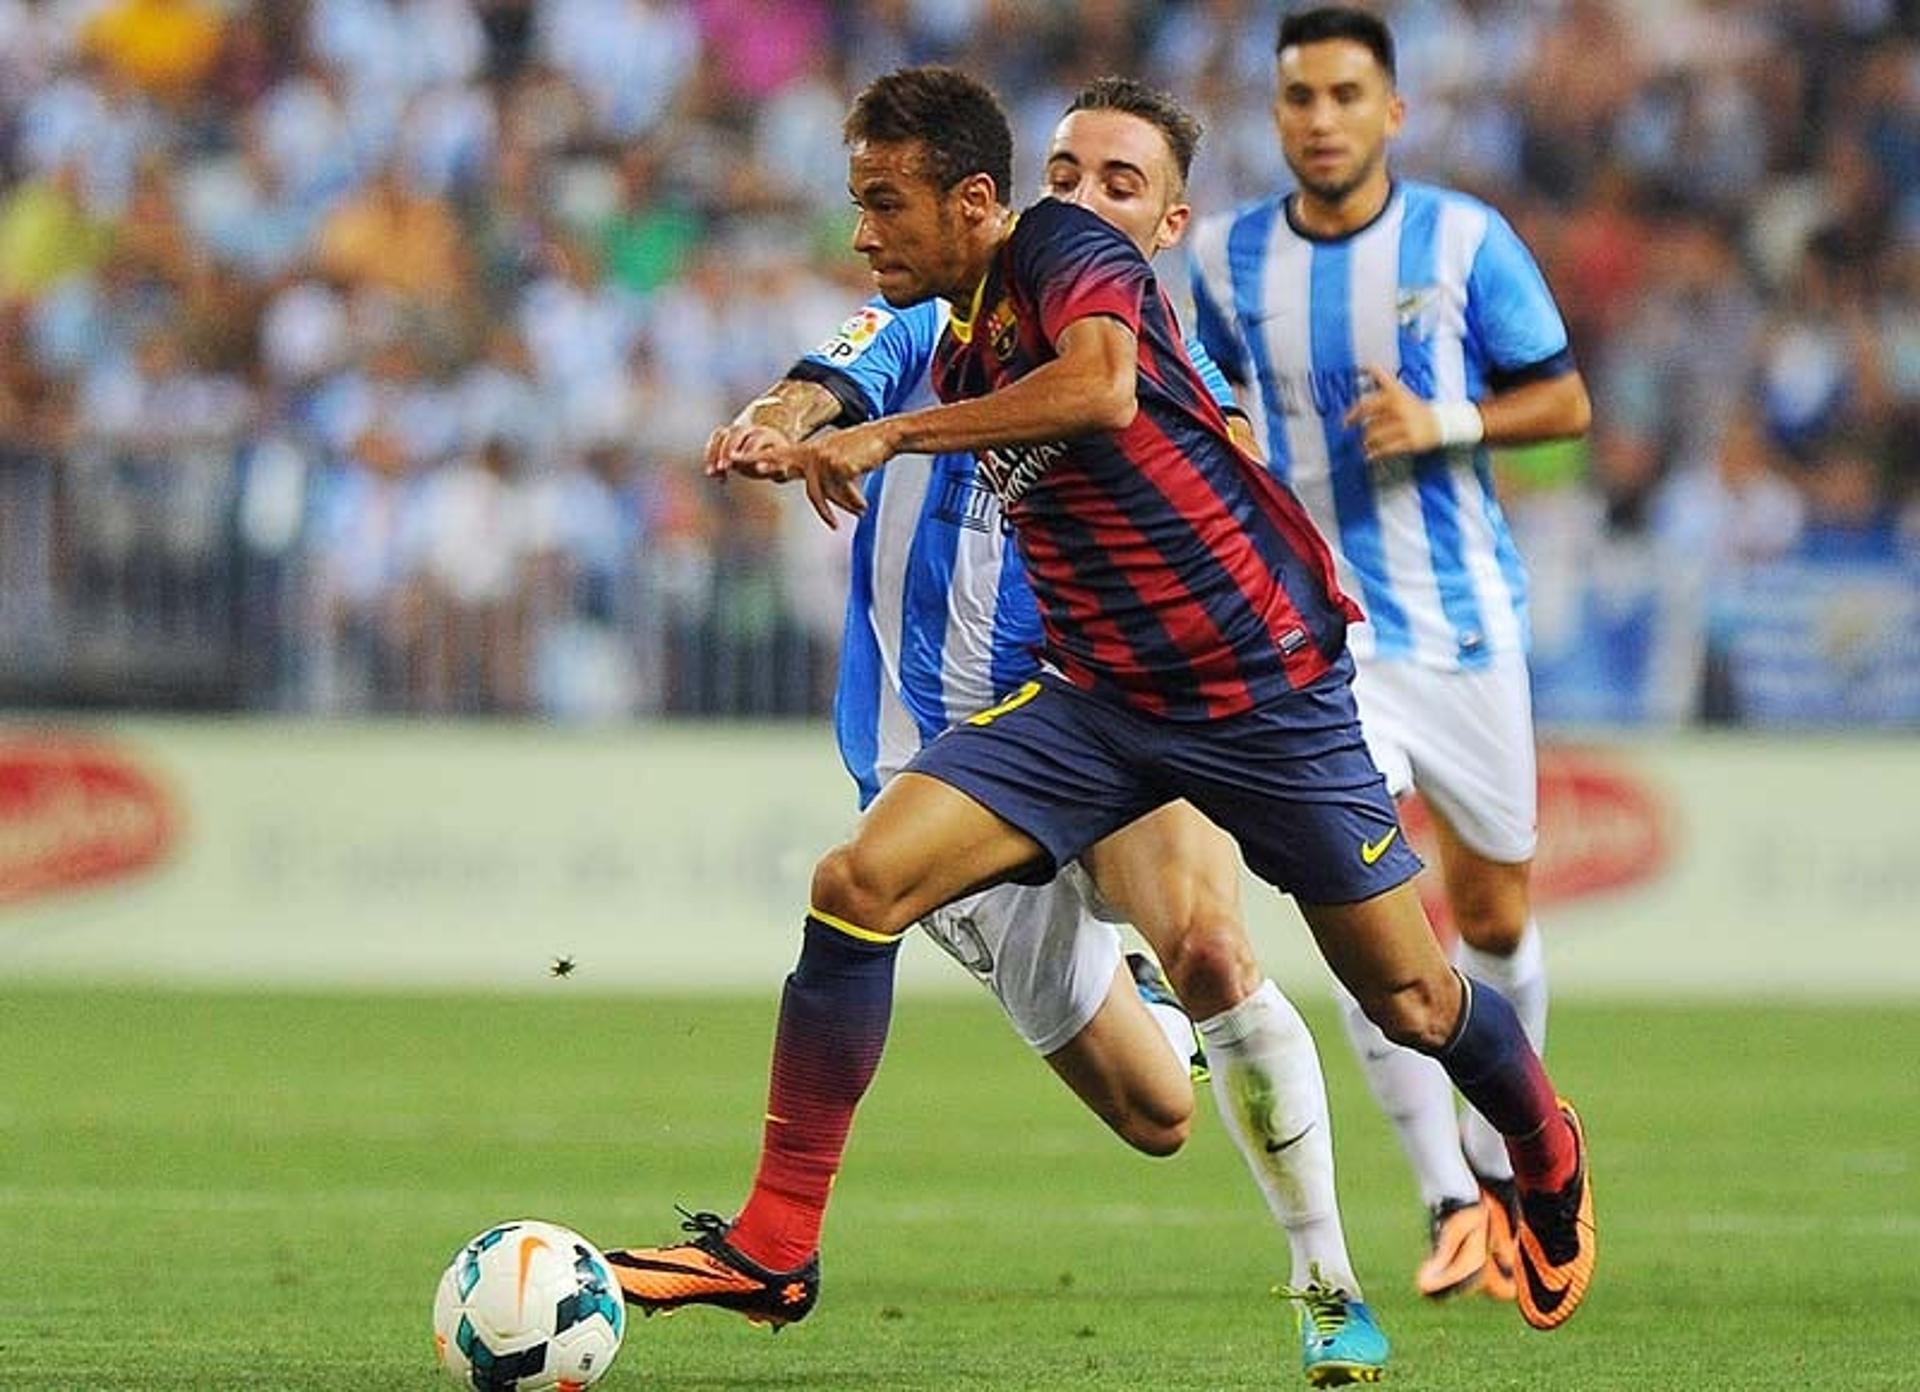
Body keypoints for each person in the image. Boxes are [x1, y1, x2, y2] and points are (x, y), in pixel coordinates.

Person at [607, 66, 1595, 1345]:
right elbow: (844, 358)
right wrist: (793, 414)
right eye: (857, 203)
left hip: (1261, 690)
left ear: (974, 202)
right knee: (856, 885)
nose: (862, 233)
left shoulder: (1068, 253)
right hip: (1095, 694)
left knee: (1412, 998)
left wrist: (894, 439)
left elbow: (1103, 391)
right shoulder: (944, 314)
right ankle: (775, 1247)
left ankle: (1540, 1140)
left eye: (883, 205)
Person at [1187, 6, 1593, 1307]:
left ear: (1392, 112)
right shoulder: (1228, 259)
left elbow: (1564, 399)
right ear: (1278, 113)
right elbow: (1218, 403)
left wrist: (1449, 418)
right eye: (1299, 96)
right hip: (1322, 642)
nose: (1320, 118)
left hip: (1467, 627)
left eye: (1345, 95)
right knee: (1363, 918)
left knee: (1494, 919)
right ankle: (1445, 1194)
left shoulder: (1463, 241)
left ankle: (1503, 1156)